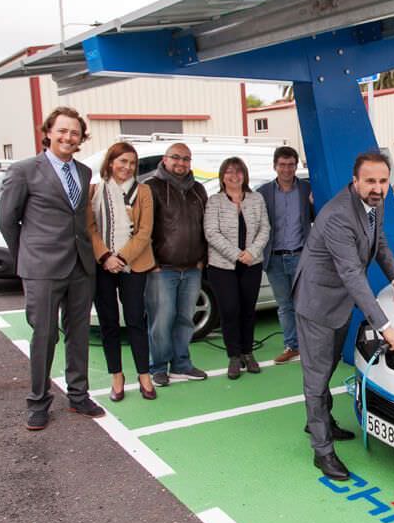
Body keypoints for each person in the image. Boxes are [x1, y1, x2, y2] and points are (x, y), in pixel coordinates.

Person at [293, 151, 394, 480]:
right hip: (317, 303)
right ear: (355, 181)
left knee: (326, 367)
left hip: (339, 302)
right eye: (370, 181)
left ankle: (320, 420)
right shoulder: (338, 216)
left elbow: (379, 243)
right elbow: (352, 273)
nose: (378, 188)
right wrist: (386, 327)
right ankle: (322, 450)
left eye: (383, 181)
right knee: (316, 378)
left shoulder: (374, 204)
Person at [0, 106, 105, 430]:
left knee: (78, 334)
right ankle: (38, 401)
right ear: (48, 132)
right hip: (42, 268)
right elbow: (7, 220)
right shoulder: (24, 170)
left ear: (81, 138)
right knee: (44, 335)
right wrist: (27, 258)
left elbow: (79, 218)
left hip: (80, 266)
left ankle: (78, 395)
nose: (68, 137)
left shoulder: (83, 172)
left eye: (74, 132)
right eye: (62, 130)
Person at [86, 142, 157, 401]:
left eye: (132, 163)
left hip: (134, 264)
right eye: (122, 161)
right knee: (109, 323)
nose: (127, 167)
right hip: (102, 265)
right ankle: (117, 376)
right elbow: (90, 228)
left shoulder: (143, 191)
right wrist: (106, 257)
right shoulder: (94, 190)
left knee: (136, 320)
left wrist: (122, 257)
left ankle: (144, 375)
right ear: (110, 162)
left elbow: (145, 232)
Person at [146, 143, 209, 387]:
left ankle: (181, 364)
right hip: (162, 269)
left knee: (185, 319)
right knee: (161, 321)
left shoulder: (198, 190)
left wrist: (202, 260)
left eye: (186, 159)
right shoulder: (151, 187)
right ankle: (159, 367)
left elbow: (205, 226)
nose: (181, 163)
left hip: (192, 268)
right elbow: (143, 228)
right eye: (176, 157)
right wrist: (152, 263)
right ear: (165, 159)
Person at [204, 157, 270, 379]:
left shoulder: (256, 199)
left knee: (248, 310)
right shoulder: (215, 201)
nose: (234, 176)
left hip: (252, 263)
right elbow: (211, 232)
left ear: (245, 175)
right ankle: (234, 355)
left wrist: (251, 252)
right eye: (229, 172)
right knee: (230, 310)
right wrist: (236, 254)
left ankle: (247, 352)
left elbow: (265, 228)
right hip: (222, 266)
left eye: (238, 171)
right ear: (222, 176)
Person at [257, 147, 313, 365]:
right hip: (275, 258)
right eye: (282, 165)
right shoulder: (263, 193)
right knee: (284, 305)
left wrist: (314, 202)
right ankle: (292, 345)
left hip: (300, 256)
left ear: (296, 166)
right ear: (275, 166)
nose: (287, 169)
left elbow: (318, 216)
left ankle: (308, 345)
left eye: (291, 165)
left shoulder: (306, 189)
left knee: (304, 304)